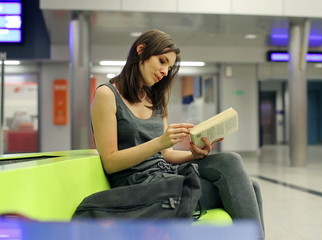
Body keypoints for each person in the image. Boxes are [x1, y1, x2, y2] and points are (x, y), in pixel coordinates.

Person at [90, 29, 264, 239]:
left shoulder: (155, 98)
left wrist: (195, 154)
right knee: (249, 188)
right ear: (141, 50)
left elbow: (167, 154)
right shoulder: (106, 95)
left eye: (169, 67)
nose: (165, 71)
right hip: (140, 188)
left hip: (167, 175)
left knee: (232, 162)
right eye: (162, 61)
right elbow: (110, 162)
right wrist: (159, 142)